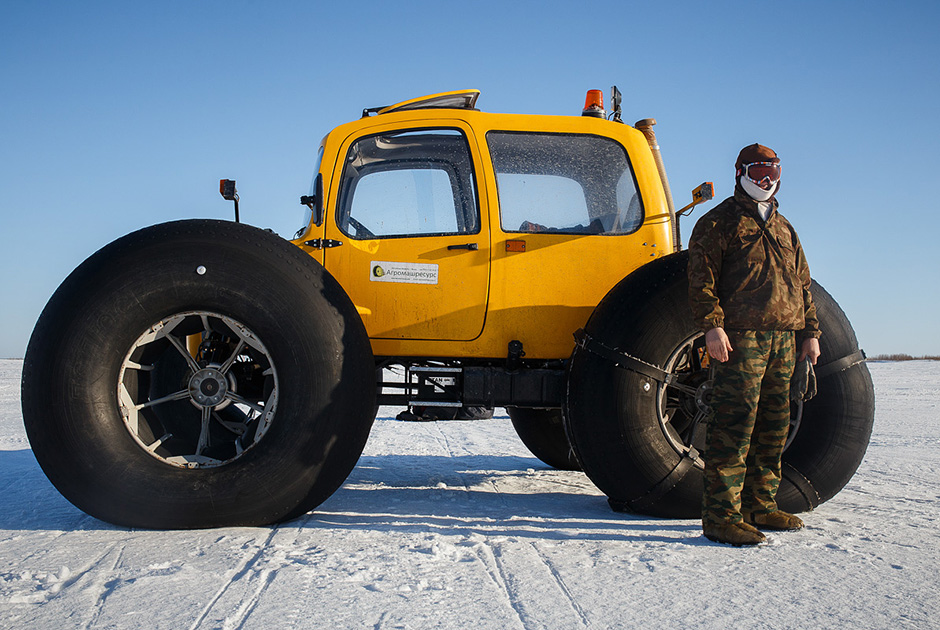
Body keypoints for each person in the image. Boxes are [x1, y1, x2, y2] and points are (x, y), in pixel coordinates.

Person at [687, 143, 821, 546]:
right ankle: (721, 517)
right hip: (740, 340)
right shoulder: (718, 223)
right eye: (760, 170)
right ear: (741, 171)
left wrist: (810, 333)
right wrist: (713, 327)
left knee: (773, 426)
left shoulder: (785, 228)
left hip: (783, 341)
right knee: (734, 426)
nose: (767, 179)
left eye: (773, 170)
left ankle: (760, 505)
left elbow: (803, 285)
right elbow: (701, 281)